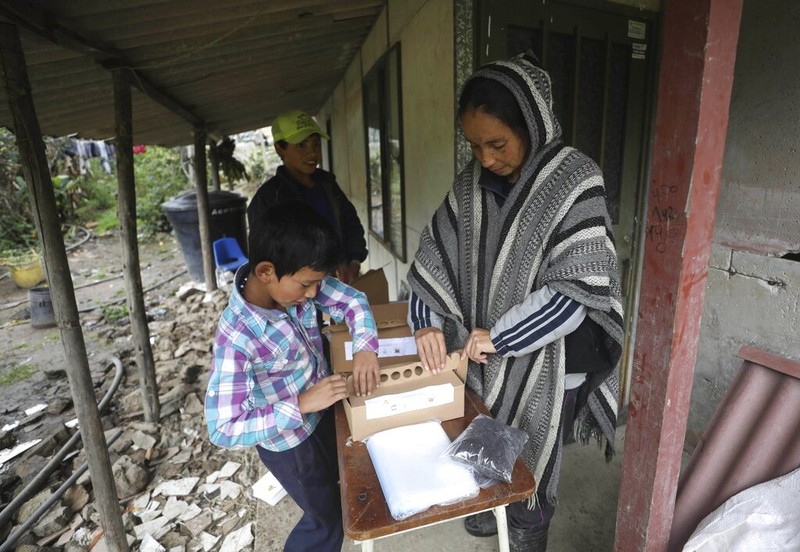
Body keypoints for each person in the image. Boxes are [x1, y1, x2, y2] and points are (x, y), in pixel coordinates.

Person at [406, 52, 624, 552]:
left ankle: (528, 528)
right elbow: (434, 258)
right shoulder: (471, 186)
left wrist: (501, 337)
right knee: (487, 433)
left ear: (531, 124)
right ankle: (494, 507)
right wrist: (426, 323)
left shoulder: (575, 180)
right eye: (474, 145)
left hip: (553, 354)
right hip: (485, 353)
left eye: (497, 144)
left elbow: (576, 290)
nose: (485, 159)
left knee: (531, 452)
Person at [205, 201, 380, 552]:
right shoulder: (237, 335)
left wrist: (365, 348)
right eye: (307, 285)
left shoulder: (295, 284)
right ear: (266, 271)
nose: (314, 293)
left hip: (325, 416)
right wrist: (301, 404)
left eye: (317, 283)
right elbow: (223, 427)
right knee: (326, 521)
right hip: (291, 446)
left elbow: (353, 301)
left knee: (341, 484)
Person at [247, 109, 367, 284]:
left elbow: (351, 223)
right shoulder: (269, 198)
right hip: (300, 291)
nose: (312, 153)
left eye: (316, 144)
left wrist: (354, 261)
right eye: (301, 145)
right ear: (280, 149)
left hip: (340, 282)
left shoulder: (328, 185)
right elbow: (267, 255)